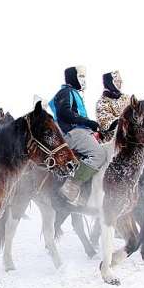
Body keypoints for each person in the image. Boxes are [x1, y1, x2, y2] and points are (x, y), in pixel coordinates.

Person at [49, 66, 106, 204]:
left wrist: (94, 130)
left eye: (84, 77)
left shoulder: (74, 93)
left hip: (79, 131)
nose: (84, 80)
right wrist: (87, 122)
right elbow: (64, 112)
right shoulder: (66, 92)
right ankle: (71, 186)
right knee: (99, 155)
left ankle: (85, 195)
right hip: (71, 132)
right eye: (81, 77)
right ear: (73, 78)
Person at [95, 70, 131, 142]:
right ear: (110, 82)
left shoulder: (126, 98)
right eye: (117, 81)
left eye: (120, 80)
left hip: (130, 136)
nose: (120, 83)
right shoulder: (102, 102)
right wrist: (126, 120)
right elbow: (106, 124)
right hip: (112, 141)